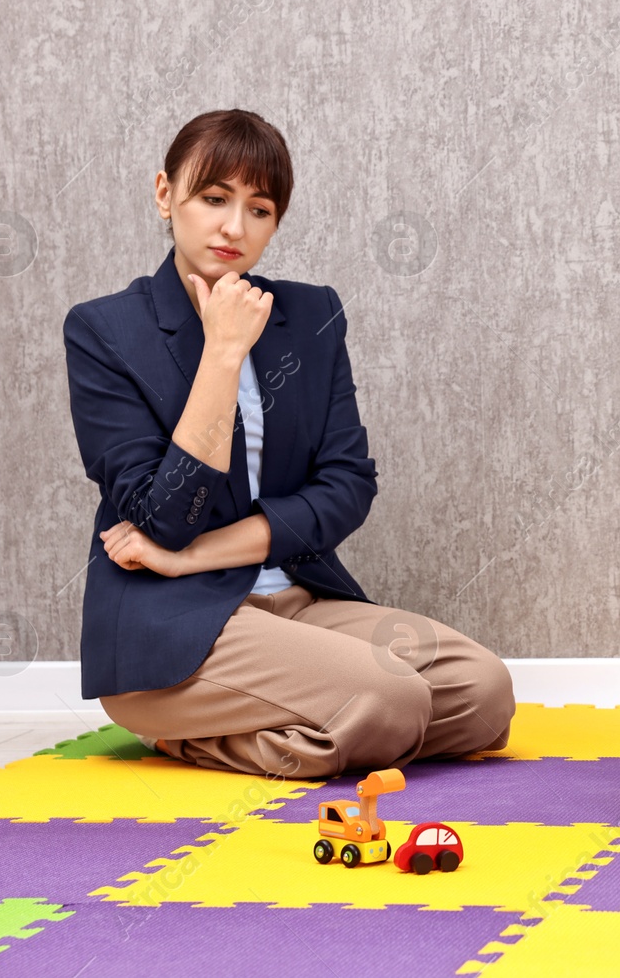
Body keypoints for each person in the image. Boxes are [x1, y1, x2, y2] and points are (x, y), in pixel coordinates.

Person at [62, 108, 514, 779]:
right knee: (391, 696)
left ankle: (316, 726)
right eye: (214, 198)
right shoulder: (104, 330)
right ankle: (176, 728)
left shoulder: (310, 316)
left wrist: (198, 556)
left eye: (260, 208)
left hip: (295, 602)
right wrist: (222, 352)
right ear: (166, 194)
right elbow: (162, 517)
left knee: (484, 691)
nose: (234, 227)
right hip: (171, 625)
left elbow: (346, 485)